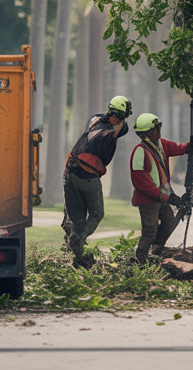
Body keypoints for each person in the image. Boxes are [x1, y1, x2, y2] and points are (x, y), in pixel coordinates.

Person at [62, 95, 132, 268]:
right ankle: (77, 240)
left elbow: (119, 125)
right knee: (97, 213)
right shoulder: (109, 133)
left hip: (69, 172)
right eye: (122, 117)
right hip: (87, 177)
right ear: (119, 116)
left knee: (76, 216)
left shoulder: (94, 120)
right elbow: (122, 129)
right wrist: (116, 126)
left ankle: (75, 252)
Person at [128, 112, 193, 263]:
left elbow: (178, 148)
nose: (159, 131)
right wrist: (167, 197)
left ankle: (155, 250)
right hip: (147, 201)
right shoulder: (139, 152)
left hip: (161, 197)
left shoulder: (161, 145)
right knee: (149, 231)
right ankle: (139, 259)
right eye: (156, 129)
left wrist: (190, 146)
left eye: (159, 128)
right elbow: (142, 183)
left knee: (169, 222)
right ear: (147, 133)